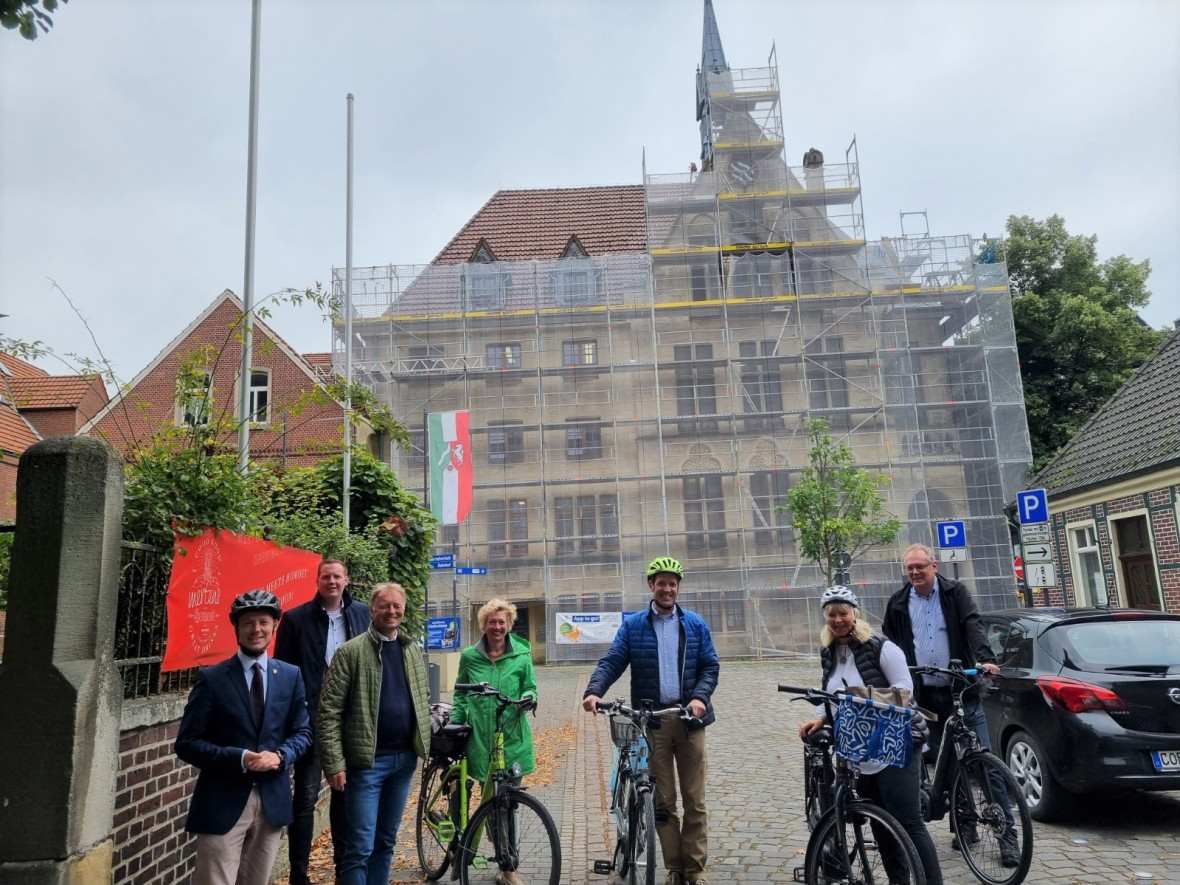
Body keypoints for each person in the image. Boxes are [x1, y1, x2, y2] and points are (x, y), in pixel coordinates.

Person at [583, 557, 720, 885]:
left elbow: (709, 666)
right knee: (662, 803)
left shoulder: (695, 624)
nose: (667, 588)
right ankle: (675, 868)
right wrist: (594, 690)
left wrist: (700, 698)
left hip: (689, 721)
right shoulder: (633, 626)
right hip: (653, 722)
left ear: (678, 587)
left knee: (695, 802)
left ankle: (696, 870)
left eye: (673, 583)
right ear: (651, 586)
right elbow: (613, 660)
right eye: (661, 582)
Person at [882, 543, 1018, 866]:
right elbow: (888, 643)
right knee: (936, 765)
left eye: (920, 566)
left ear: (935, 566)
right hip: (923, 696)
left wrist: (984, 659)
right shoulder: (899, 603)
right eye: (909, 568)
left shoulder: (956, 593)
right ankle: (964, 824)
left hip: (961, 692)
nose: (915, 572)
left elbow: (973, 625)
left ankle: (1007, 836)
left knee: (983, 763)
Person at [798, 586, 944, 885]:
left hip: (895, 741)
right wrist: (822, 718)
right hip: (858, 746)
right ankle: (898, 881)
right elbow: (832, 692)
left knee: (908, 821)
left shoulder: (881, 647)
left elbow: (905, 690)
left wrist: (860, 696)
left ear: (855, 614)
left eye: (843, 613)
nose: (838, 620)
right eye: (831, 615)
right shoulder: (829, 652)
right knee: (880, 822)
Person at [175, 590, 313, 885]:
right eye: (248, 622)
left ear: (274, 626)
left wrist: (281, 755)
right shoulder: (212, 678)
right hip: (222, 800)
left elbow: (303, 732)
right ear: (236, 627)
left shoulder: (290, 675)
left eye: (263, 622)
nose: (256, 630)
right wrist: (239, 758)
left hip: (271, 803)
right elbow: (187, 743)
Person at [317, 582, 431, 885]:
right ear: (372, 609)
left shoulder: (411, 649)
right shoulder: (350, 653)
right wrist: (335, 764)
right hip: (366, 764)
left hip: (404, 761)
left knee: (386, 843)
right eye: (385, 605)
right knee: (360, 848)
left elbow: (422, 698)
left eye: (397, 605)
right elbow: (328, 713)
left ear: (404, 609)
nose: (391, 611)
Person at [273, 558, 371, 885]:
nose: (332, 581)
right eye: (326, 576)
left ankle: (344, 870)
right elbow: (283, 673)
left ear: (346, 580)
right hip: (309, 722)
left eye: (337, 576)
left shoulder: (361, 615)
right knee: (304, 797)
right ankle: (298, 874)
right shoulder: (296, 619)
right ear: (317, 580)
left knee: (344, 797)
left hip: (349, 721)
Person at [449, 598, 538, 885]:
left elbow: (530, 686)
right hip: (479, 739)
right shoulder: (470, 656)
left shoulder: (522, 655)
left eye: (502, 622)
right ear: (484, 625)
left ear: (509, 625)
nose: (497, 627)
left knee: (506, 805)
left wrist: (530, 698)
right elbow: (461, 692)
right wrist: (459, 720)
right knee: (472, 797)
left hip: (512, 739)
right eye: (492, 622)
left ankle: (507, 866)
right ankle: (459, 845)